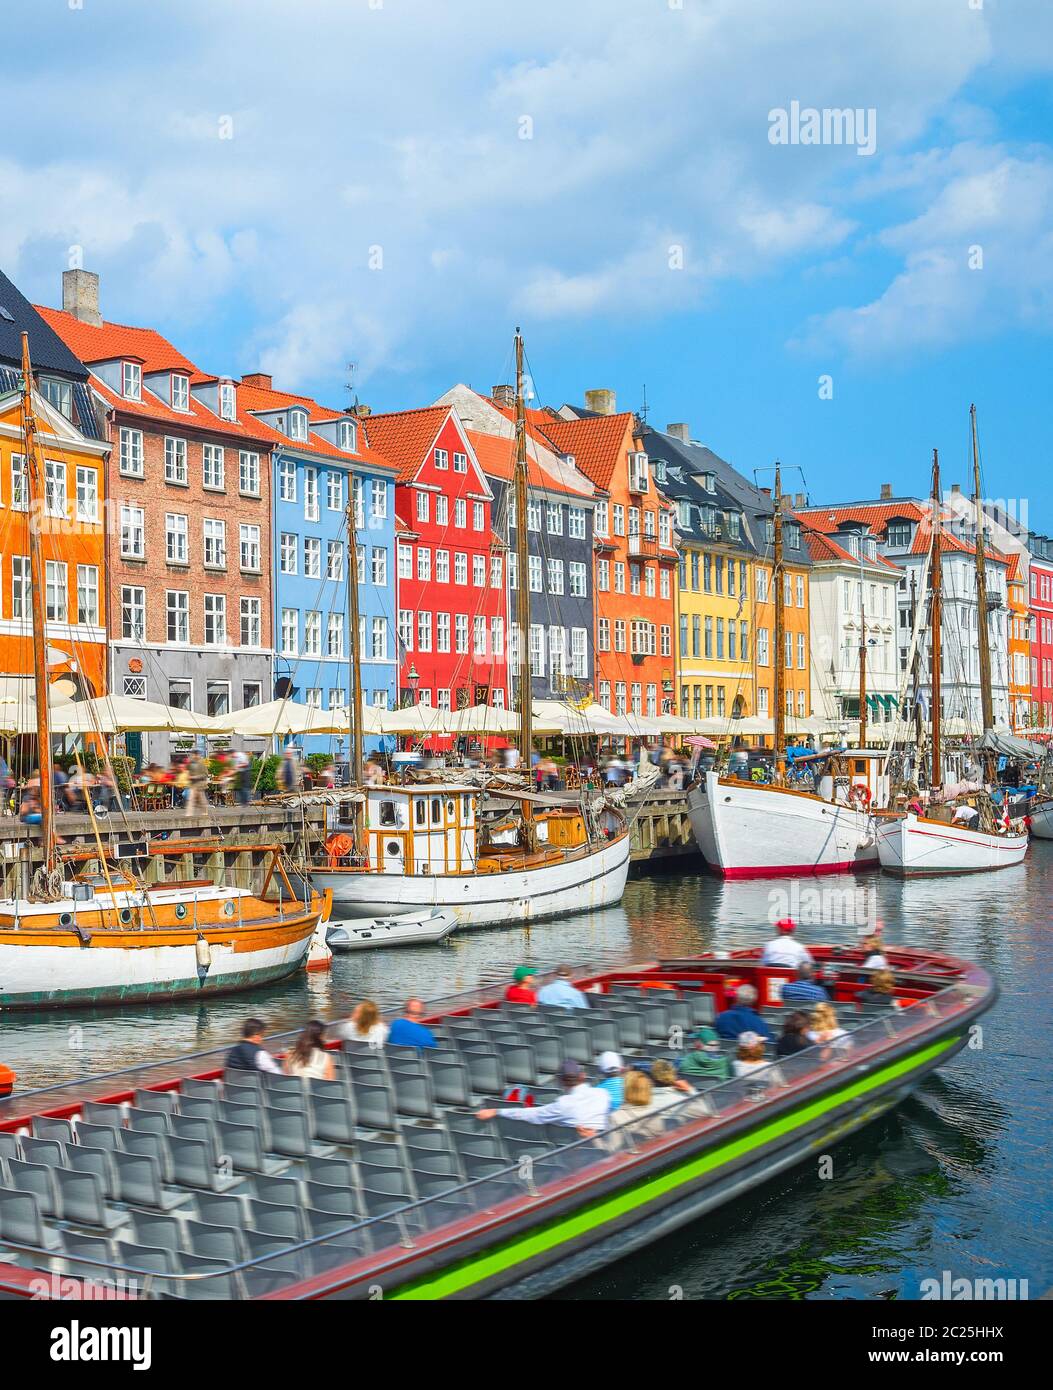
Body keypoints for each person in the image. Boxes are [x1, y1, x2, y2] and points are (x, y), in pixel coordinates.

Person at [475, 1059, 611, 1136]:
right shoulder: (603, 1094)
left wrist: (497, 1111)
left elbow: (531, 1114)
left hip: (575, 1159)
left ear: (560, 1081)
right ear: (583, 1076)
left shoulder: (562, 1104)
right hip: (604, 1151)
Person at [607, 1069, 668, 1148]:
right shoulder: (656, 1113)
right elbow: (662, 1140)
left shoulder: (615, 1117)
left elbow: (612, 1151)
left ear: (626, 1090)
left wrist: (594, 1138)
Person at [185, 751, 210, 817]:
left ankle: (205, 812)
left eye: (195, 755)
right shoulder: (190, 763)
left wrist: (195, 777)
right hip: (193, 785)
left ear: (198, 755)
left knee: (202, 799)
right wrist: (188, 776)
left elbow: (205, 774)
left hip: (200, 785)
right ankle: (189, 813)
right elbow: (187, 771)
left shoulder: (202, 764)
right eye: (193, 755)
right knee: (191, 799)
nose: (193, 756)